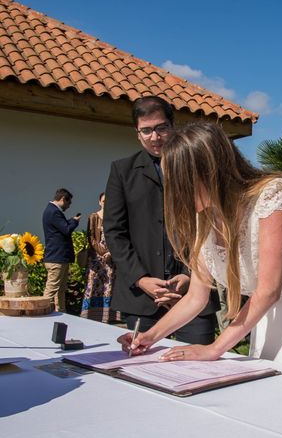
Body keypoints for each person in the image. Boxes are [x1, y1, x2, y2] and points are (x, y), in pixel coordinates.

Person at [119, 122, 282, 375]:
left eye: (180, 182)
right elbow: (196, 296)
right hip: (262, 315)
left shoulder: (273, 195)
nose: (174, 192)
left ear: (209, 172)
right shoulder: (205, 214)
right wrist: (150, 336)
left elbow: (269, 290)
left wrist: (214, 348)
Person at [104, 96, 216, 343]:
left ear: (172, 126)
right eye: (146, 130)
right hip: (142, 297)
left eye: (161, 128)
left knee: (199, 371)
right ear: (137, 133)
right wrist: (141, 279)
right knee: (143, 366)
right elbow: (114, 231)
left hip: (194, 291)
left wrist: (190, 275)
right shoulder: (122, 171)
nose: (155, 137)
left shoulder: (197, 166)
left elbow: (211, 224)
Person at [80, 192, 119, 323]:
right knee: (93, 284)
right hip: (96, 258)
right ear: (99, 202)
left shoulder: (114, 218)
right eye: (103, 201)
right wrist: (103, 252)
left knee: (108, 285)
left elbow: (118, 237)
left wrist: (111, 252)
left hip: (111, 258)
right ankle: (90, 315)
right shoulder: (93, 217)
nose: (105, 203)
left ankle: (107, 316)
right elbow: (91, 237)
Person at [42, 188, 80, 312]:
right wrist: (74, 222)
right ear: (63, 199)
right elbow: (66, 229)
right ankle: (42, 313)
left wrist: (71, 220)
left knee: (60, 289)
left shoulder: (52, 211)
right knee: (52, 289)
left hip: (58, 258)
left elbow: (61, 227)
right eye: (68, 203)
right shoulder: (53, 212)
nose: (68, 206)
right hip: (56, 258)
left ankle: (61, 313)